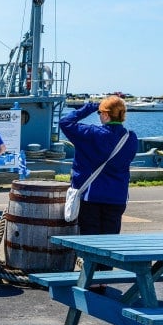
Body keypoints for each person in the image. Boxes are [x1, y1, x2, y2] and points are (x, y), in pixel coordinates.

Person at [59, 95, 138, 239]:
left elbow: (65, 122)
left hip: (91, 196)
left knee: (90, 241)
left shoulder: (91, 134)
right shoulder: (130, 138)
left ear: (106, 115)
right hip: (117, 197)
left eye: (100, 113)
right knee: (109, 242)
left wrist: (91, 106)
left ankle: (91, 263)